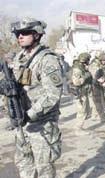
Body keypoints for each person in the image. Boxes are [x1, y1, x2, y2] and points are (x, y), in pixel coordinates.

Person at [11, 17, 63, 178]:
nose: (20, 36)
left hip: (42, 123)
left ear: (37, 35)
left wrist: (30, 114)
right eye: (18, 33)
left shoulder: (47, 59)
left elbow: (52, 94)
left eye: (25, 33)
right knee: (24, 163)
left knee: (44, 167)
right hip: (22, 123)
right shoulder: (18, 59)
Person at [71, 52, 93, 131]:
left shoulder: (82, 67)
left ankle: (79, 127)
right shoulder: (77, 69)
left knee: (84, 110)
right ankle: (78, 129)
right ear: (85, 60)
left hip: (84, 92)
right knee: (82, 112)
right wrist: (86, 76)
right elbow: (76, 82)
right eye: (88, 60)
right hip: (80, 93)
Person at [88, 50, 105, 123]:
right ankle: (101, 117)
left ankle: (94, 115)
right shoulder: (94, 64)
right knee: (98, 101)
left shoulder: (97, 63)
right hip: (95, 85)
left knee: (96, 101)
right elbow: (96, 76)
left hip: (97, 84)